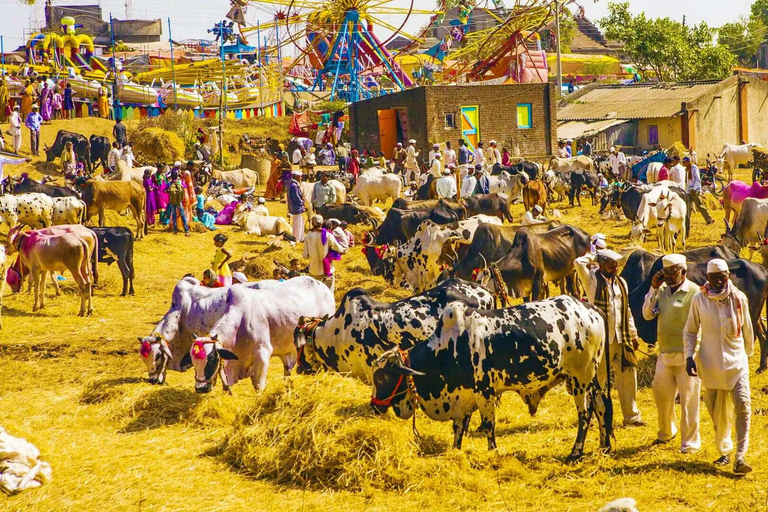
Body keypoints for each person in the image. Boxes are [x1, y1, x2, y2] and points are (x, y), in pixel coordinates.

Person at [684, 258, 754, 474]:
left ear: (728, 276)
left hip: (737, 363)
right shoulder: (699, 300)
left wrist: (746, 355)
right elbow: (690, 331)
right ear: (707, 278)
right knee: (717, 414)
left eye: (721, 278)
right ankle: (725, 451)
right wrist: (689, 356)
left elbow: (747, 331)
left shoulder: (739, 298)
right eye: (713, 278)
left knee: (743, 406)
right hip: (710, 365)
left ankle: (740, 458)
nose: (717, 282)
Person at [574, 249, 644, 427]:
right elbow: (578, 263)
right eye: (612, 266)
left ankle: (631, 417)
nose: (615, 269)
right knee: (597, 378)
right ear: (602, 265)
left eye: (616, 266)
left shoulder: (621, 283)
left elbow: (625, 310)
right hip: (601, 339)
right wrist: (593, 256)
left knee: (628, 375)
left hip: (622, 337)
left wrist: (634, 334)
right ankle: (589, 414)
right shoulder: (591, 281)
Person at [642, 254, 701, 453]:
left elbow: (701, 325)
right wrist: (653, 287)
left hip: (687, 356)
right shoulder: (662, 291)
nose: (667, 276)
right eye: (665, 272)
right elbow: (647, 314)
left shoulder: (694, 293)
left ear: (683, 272)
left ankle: (690, 443)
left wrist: (694, 354)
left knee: (689, 401)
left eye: (672, 272)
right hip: (665, 354)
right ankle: (666, 432)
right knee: (662, 396)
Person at [303, 214, 345, 292]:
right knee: (328, 293)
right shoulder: (328, 235)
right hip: (327, 270)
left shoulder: (308, 236)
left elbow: (305, 256)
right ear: (322, 223)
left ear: (312, 224)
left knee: (314, 293)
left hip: (314, 270)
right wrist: (343, 250)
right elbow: (339, 248)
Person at [684, 156, 714, 225]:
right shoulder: (687, 169)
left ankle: (709, 219)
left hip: (694, 191)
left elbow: (697, 179)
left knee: (700, 205)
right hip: (688, 191)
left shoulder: (694, 168)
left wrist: (694, 189)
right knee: (687, 207)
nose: (683, 163)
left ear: (688, 162)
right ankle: (686, 222)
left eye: (684, 162)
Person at [166, 171, 190, 236]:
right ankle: (186, 230)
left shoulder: (169, 183)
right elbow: (185, 187)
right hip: (179, 202)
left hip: (172, 202)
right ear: (177, 176)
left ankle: (175, 230)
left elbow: (164, 190)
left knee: (174, 215)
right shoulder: (180, 182)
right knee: (183, 215)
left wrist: (168, 191)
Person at [288, 169, 306, 242]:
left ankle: (301, 237)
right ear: (296, 177)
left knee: (300, 222)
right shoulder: (294, 185)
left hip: (296, 207)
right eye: (300, 176)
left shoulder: (292, 184)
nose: (301, 178)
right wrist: (302, 202)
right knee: (297, 224)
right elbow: (296, 197)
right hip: (296, 207)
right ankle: (297, 238)